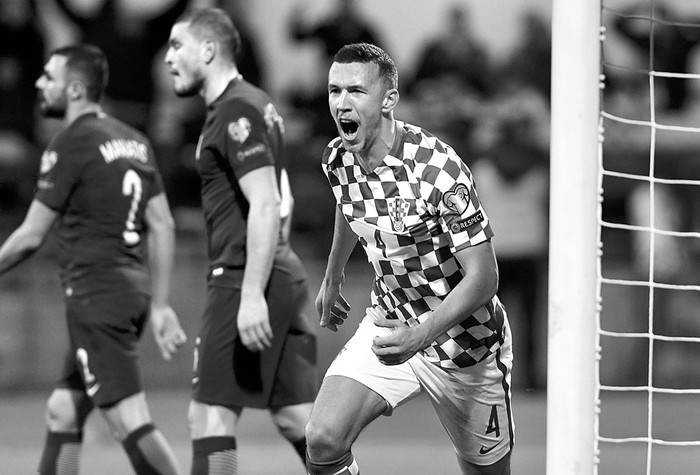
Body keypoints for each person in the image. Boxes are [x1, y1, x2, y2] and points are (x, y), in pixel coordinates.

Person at [306, 42, 514, 475]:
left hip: (465, 345)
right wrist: (333, 277)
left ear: (389, 99)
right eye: (334, 91)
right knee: (323, 439)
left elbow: (484, 277)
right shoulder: (338, 158)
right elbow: (351, 207)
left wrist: (421, 336)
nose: (342, 103)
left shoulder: (438, 172)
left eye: (356, 92)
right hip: (390, 320)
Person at [0, 44, 187, 474]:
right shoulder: (134, 141)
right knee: (63, 410)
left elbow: (30, 235)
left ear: (76, 88)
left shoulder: (69, 144)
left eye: (49, 76)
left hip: (97, 297)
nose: (39, 83)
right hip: (130, 291)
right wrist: (158, 304)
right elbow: (163, 223)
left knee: (128, 420)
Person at [164, 8, 317, 474]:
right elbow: (282, 196)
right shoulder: (256, 102)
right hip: (279, 271)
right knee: (298, 421)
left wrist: (251, 292)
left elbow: (268, 203)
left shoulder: (236, 111)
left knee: (208, 417)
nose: (168, 58)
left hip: (241, 278)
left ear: (208, 50)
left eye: (177, 46)